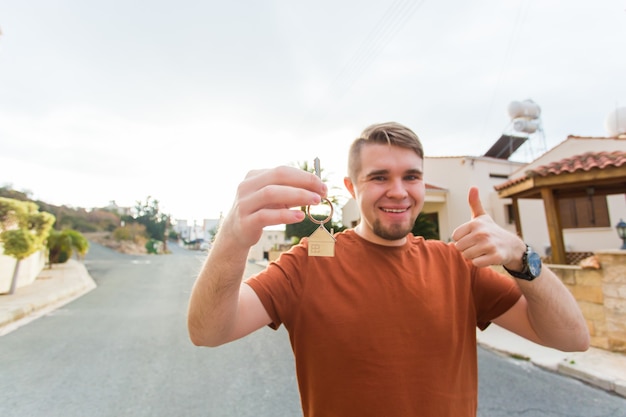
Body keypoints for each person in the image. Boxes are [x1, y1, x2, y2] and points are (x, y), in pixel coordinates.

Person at [187, 122, 590, 417]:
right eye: (379, 177)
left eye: (411, 177)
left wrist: (522, 257)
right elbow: (208, 331)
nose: (398, 191)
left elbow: (572, 338)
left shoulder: (456, 266)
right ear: (351, 187)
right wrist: (233, 237)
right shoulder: (308, 264)